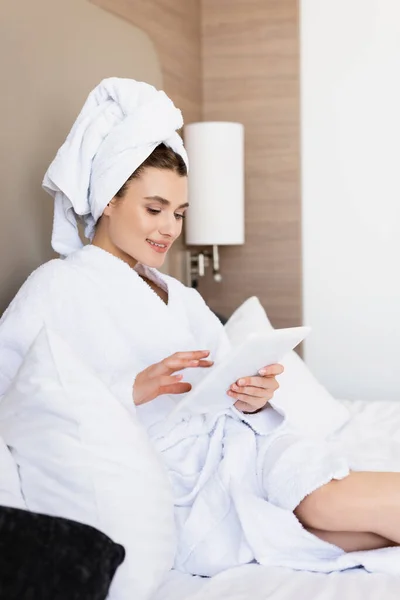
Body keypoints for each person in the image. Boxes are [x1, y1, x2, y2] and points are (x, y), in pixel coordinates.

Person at [0, 78, 399, 577]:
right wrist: (131, 390)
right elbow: (16, 406)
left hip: (238, 450)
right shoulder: (56, 288)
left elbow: (222, 375)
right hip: (185, 486)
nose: (169, 228)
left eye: (180, 213)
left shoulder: (182, 297)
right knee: (322, 518)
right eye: (154, 209)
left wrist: (252, 392)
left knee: (329, 514)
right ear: (107, 199)